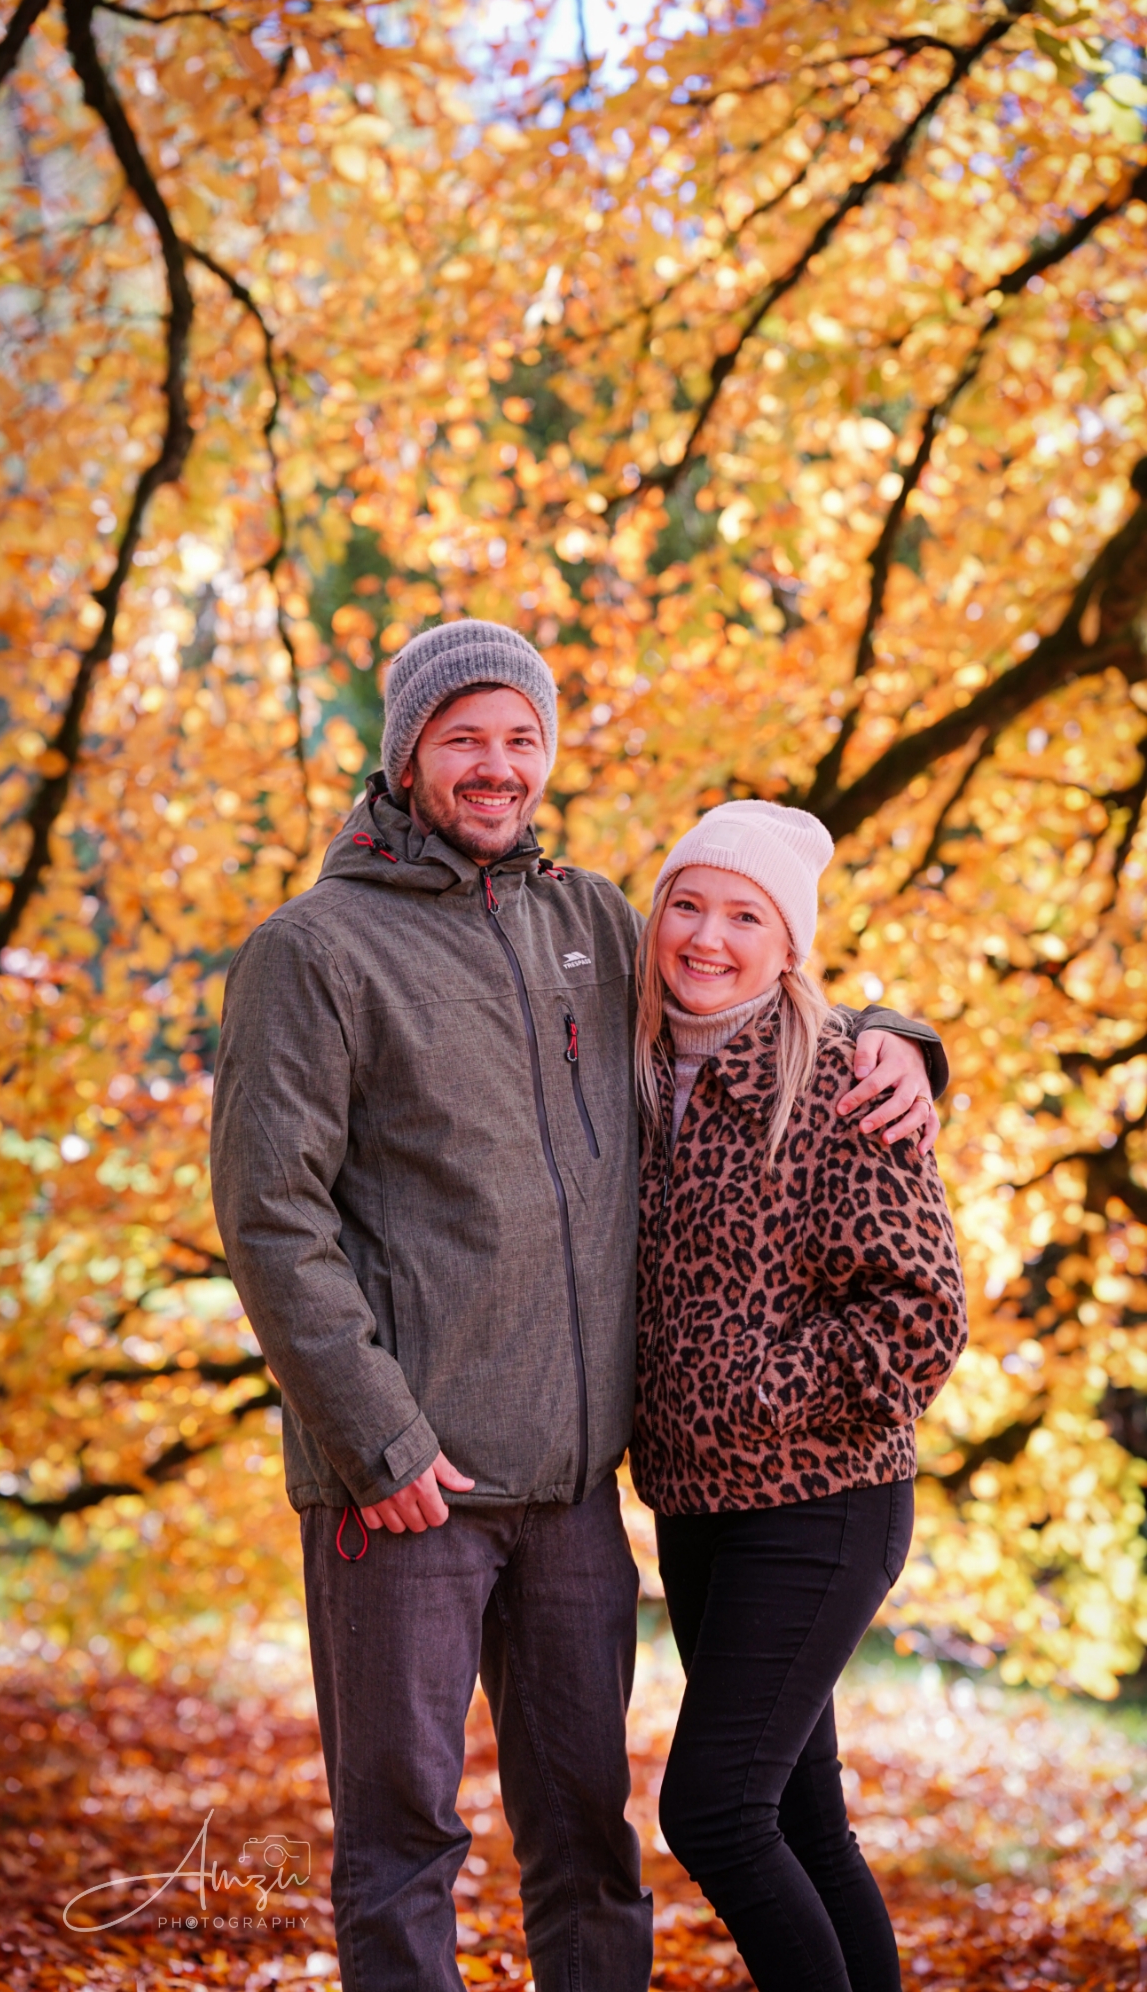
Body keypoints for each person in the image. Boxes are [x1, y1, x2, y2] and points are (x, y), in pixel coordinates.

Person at [210, 618, 949, 1992]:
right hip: (404, 1484)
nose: (498, 767)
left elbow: (751, 973)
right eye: (465, 738)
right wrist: (378, 1440)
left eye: (521, 738)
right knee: (403, 1842)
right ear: (409, 754)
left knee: (589, 1846)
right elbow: (271, 1221)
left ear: (546, 754)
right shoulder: (312, 954)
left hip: (575, 1496)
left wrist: (904, 1044)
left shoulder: (593, 924)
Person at [630, 801, 968, 1992]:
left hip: (819, 1499)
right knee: (805, 1824)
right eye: (687, 902)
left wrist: (757, 1392)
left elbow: (921, 1311)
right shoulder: (634, 1071)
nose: (707, 936)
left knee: (715, 1810)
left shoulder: (840, 1078)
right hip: (695, 1507)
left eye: (745, 914)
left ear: (789, 944)